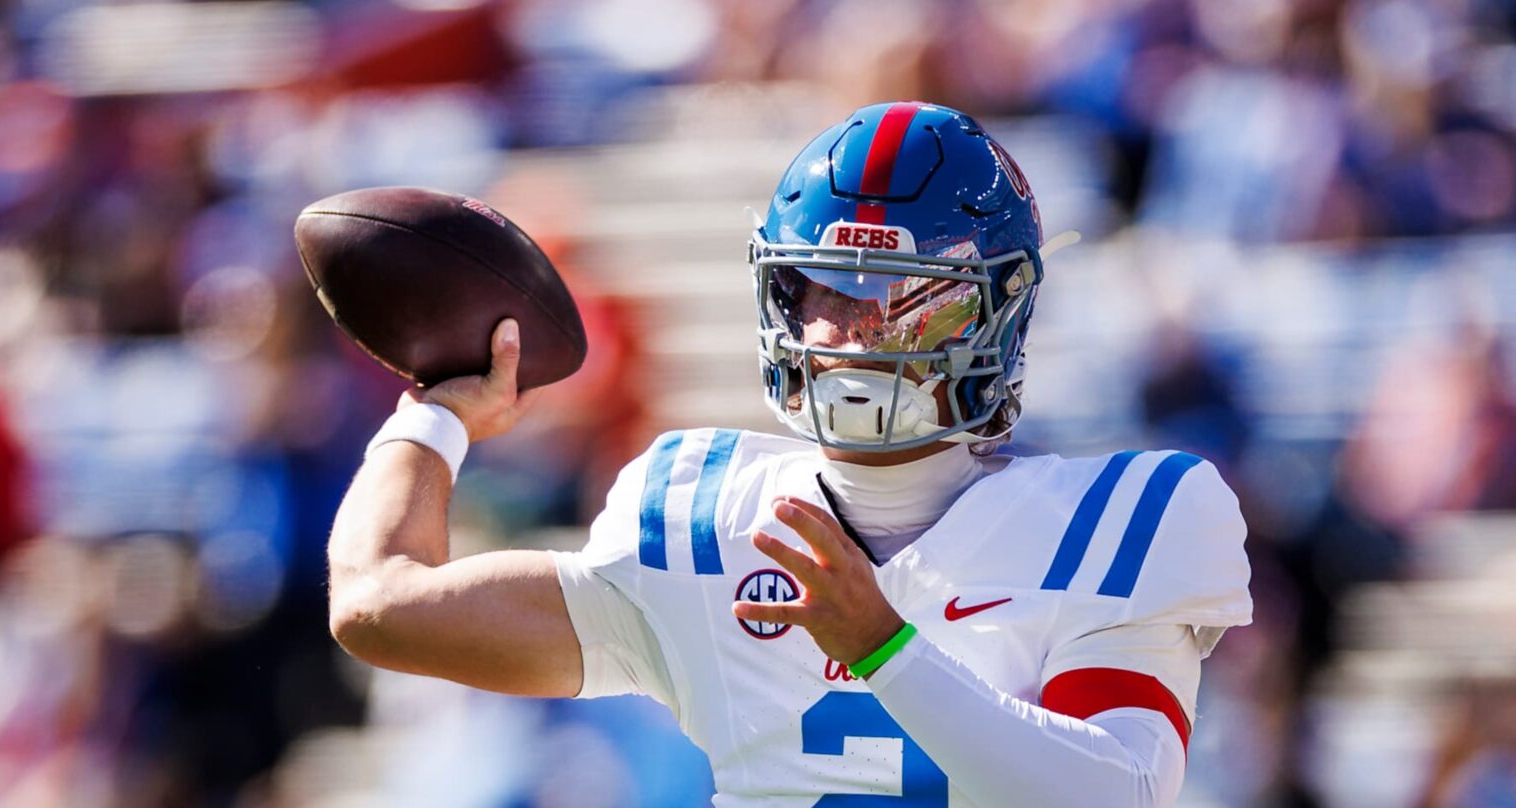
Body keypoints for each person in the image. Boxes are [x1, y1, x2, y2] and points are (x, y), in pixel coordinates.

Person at [327, 102, 1252, 807]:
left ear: (995, 314)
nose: (850, 332)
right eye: (822, 292)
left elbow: (1110, 794)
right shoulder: (702, 513)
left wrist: (884, 647)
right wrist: (436, 415)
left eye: (901, 297)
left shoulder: (1119, 520)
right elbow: (379, 606)